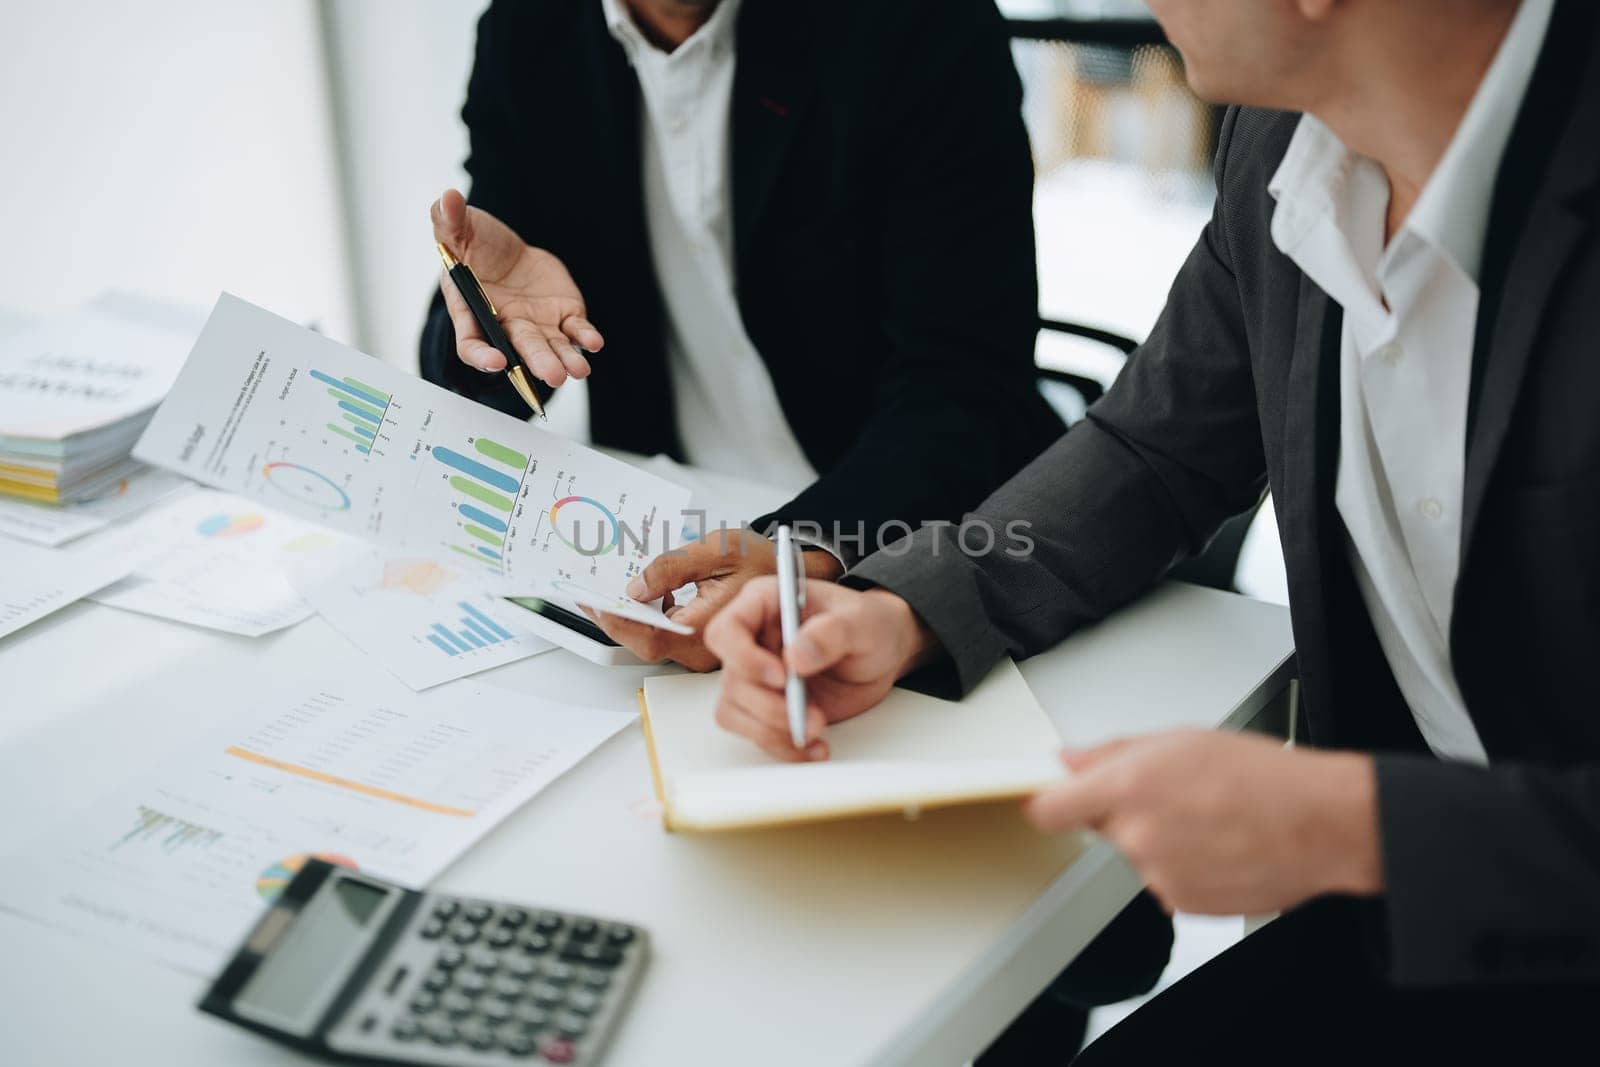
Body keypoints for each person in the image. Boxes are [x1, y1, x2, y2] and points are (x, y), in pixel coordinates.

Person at [706, 0, 1600, 1058]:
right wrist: (906, 608)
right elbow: (1154, 450)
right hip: (1405, 933)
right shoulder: (1284, 139)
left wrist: (1362, 827)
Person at [420, 0, 1063, 669]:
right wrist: (487, 324)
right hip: (683, 524)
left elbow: (966, 380)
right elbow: (494, 321)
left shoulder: (921, 24)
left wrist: (797, 553)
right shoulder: (528, 30)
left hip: (919, 536)